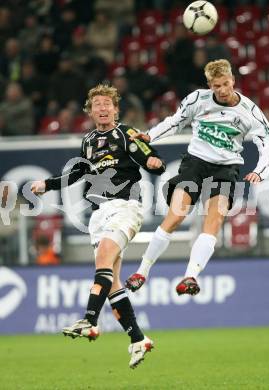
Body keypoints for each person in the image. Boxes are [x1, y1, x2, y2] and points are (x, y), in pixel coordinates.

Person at [31, 84, 165, 368]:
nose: (102, 108)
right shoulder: (89, 141)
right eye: (97, 105)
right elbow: (77, 173)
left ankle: (89, 320)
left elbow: (147, 156)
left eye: (107, 103)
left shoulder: (126, 133)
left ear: (116, 109)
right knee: (112, 282)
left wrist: (154, 163)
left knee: (103, 259)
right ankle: (138, 339)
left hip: (125, 208)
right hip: (98, 214)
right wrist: (47, 184)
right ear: (90, 111)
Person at [125, 59, 269, 296]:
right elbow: (176, 122)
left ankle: (190, 277)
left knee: (213, 222)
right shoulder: (197, 99)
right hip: (195, 163)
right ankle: (142, 271)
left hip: (226, 167)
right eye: (216, 86)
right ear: (209, 85)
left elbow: (268, 142)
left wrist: (260, 171)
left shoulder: (249, 111)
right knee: (175, 216)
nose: (222, 90)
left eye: (226, 84)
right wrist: (150, 136)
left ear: (233, 80)